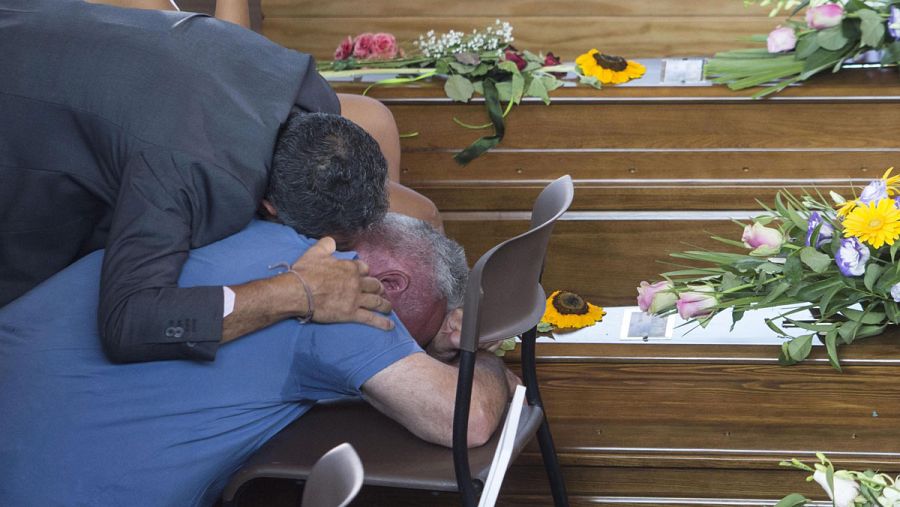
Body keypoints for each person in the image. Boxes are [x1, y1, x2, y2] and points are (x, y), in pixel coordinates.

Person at [0, 214, 516, 506]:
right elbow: (466, 419)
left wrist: (429, 348)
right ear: (392, 286)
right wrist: (485, 360)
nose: (408, 341)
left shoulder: (240, 227)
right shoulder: (343, 295)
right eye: (415, 330)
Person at [0, 0, 398, 363]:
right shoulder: (192, 171)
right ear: (271, 208)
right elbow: (127, 321)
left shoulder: (304, 93)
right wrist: (296, 292)